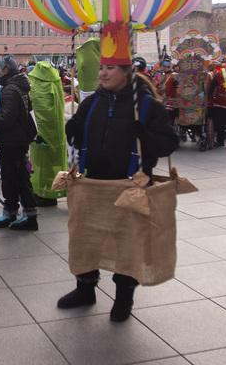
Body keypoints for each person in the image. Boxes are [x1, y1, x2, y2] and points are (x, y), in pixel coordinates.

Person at [58, 32, 179, 321]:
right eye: (101, 67)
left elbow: (169, 144)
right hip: (93, 186)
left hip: (130, 186)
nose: (102, 73)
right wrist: (73, 131)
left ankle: (124, 299)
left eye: (109, 68)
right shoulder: (91, 103)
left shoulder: (147, 105)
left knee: (128, 244)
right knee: (86, 240)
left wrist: (146, 136)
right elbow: (77, 134)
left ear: (127, 71)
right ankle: (85, 289)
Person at [0, 55, 38, 231]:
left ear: (6, 70)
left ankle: (25, 217)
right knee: (15, 179)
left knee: (16, 180)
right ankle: (13, 213)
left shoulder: (9, 89)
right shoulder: (18, 85)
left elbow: (8, 119)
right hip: (17, 140)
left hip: (12, 142)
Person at [28, 60, 67, 207]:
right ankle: (52, 191)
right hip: (55, 130)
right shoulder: (56, 81)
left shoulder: (33, 82)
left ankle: (41, 192)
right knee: (52, 162)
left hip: (39, 130)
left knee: (40, 163)